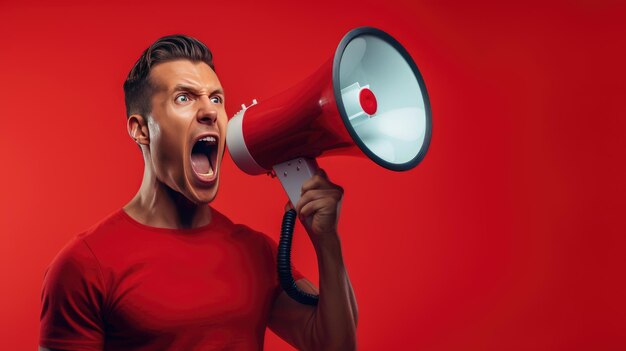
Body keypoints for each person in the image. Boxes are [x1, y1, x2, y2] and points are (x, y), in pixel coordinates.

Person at [39, 35, 357, 351]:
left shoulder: (256, 252)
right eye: (184, 98)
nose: (209, 112)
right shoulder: (84, 264)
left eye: (216, 99)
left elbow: (333, 346)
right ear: (141, 129)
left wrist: (327, 241)